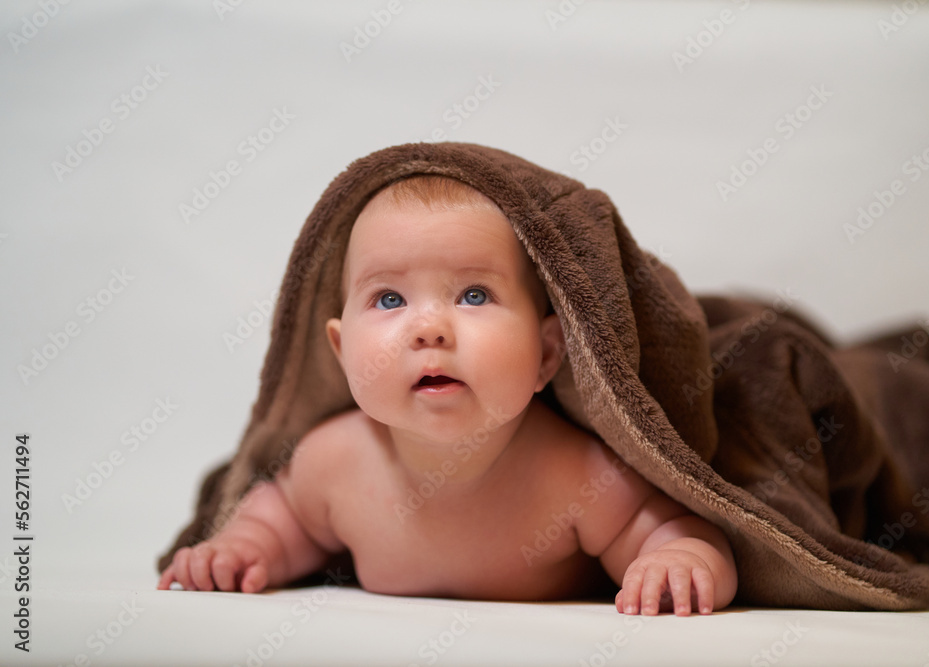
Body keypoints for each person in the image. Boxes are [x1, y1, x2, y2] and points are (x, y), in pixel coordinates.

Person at [158, 175, 738, 616]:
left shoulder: (576, 475)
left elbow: (676, 529)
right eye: (389, 299)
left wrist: (681, 560)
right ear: (342, 352)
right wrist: (243, 545)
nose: (429, 327)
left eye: (474, 294)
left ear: (545, 355)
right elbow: (285, 516)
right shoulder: (334, 462)